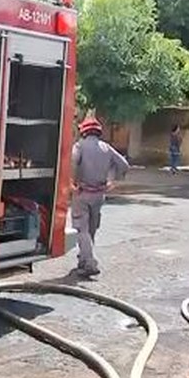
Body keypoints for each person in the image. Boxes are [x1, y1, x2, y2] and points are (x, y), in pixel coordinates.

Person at [70, 116, 130, 277]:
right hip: (99, 195)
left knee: (82, 229)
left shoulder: (79, 146)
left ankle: (89, 262)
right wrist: (113, 180)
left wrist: (71, 182)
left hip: (82, 193)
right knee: (91, 229)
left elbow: (72, 161)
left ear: (83, 131)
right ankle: (83, 259)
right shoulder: (107, 148)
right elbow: (124, 165)